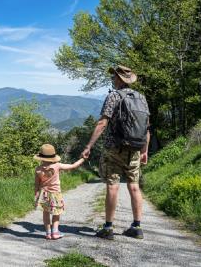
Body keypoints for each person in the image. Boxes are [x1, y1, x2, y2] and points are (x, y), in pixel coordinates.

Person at [81, 65, 150, 240]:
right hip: (134, 149)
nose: (113, 79)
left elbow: (102, 123)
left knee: (112, 186)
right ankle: (137, 227)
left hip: (114, 148)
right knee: (134, 186)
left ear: (119, 79)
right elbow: (147, 128)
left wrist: (88, 146)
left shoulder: (113, 96)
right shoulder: (141, 98)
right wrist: (144, 151)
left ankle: (108, 228)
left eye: (114, 77)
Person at [34, 143, 85, 240]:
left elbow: (36, 185)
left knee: (46, 213)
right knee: (56, 213)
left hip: (44, 194)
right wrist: (82, 159)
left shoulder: (38, 169)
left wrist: (36, 195)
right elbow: (73, 166)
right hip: (56, 194)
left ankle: (48, 233)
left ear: (41, 157)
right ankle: (55, 232)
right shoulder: (57, 166)